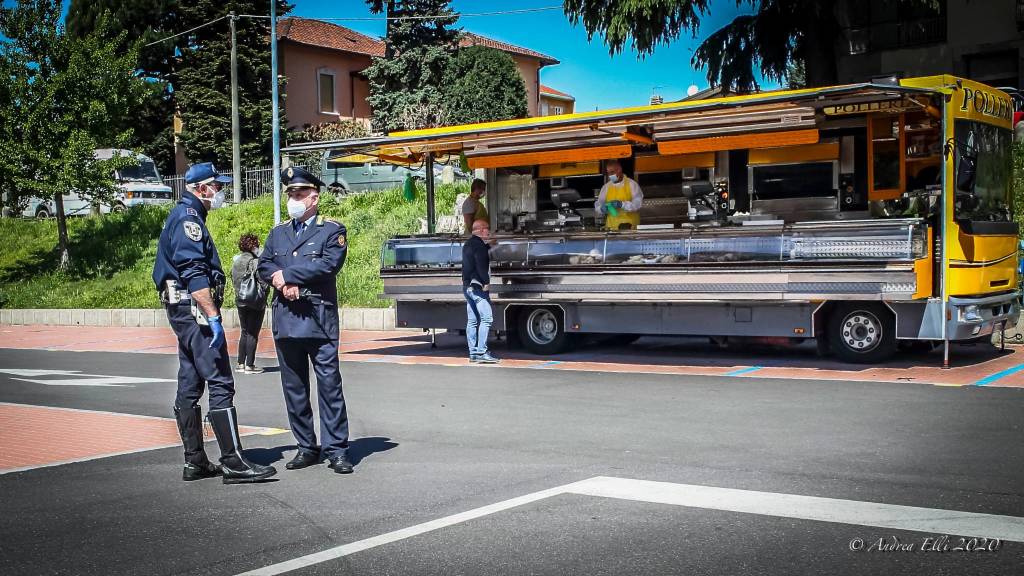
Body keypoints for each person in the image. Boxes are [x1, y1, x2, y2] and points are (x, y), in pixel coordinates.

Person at [152, 162, 277, 484]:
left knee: (191, 382)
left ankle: (195, 461)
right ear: (201, 188)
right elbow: (193, 271)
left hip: (181, 308)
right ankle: (233, 462)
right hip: (193, 309)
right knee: (221, 381)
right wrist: (213, 315)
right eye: (217, 186)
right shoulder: (188, 219)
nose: (221, 191)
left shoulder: (187, 216)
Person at [258, 166, 354, 475]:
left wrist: (288, 274)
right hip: (287, 320)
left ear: (314, 197)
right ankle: (306, 447)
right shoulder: (278, 232)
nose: (293, 199)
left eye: (298, 194)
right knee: (294, 388)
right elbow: (264, 265)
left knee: (329, 387)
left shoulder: (331, 230)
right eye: (290, 194)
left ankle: (337, 449)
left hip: (318, 319)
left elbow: (328, 266)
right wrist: (280, 282)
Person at [231, 232, 268, 374]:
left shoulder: (237, 261)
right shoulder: (255, 262)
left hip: (240, 299)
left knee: (244, 331)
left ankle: (240, 363)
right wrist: (264, 294)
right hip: (254, 300)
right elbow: (263, 281)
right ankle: (250, 365)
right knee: (253, 332)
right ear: (253, 246)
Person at [463, 219, 498, 363]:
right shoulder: (480, 247)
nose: (489, 231)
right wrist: (486, 283)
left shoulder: (468, 244)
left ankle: (473, 353)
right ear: (482, 229)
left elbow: (471, 260)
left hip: (467, 287)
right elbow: (481, 266)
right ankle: (482, 352)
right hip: (478, 288)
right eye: (487, 228)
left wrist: (489, 245)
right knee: (487, 318)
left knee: (472, 321)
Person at [594, 159, 644, 230]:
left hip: (630, 228)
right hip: (612, 228)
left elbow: (638, 204)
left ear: (619, 170)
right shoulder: (606, 187)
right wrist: (601, 209)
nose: (610, 175)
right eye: (608, 173)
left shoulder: (632, 184)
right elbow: (598, 205)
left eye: (612, 172)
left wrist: (622, 204)